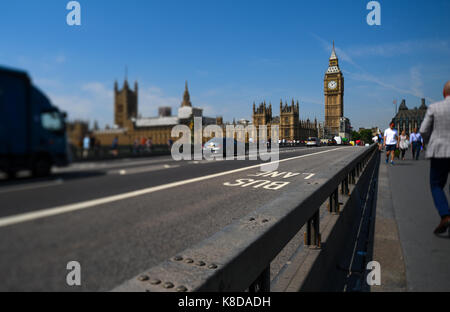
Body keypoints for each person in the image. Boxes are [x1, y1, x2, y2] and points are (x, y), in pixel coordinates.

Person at [419, 81, 450, 235]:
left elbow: (423, 130)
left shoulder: (435, 107)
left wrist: (429, 143)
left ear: (444, 93)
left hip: (440, 151)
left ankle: (445, 214)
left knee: (436, 184)